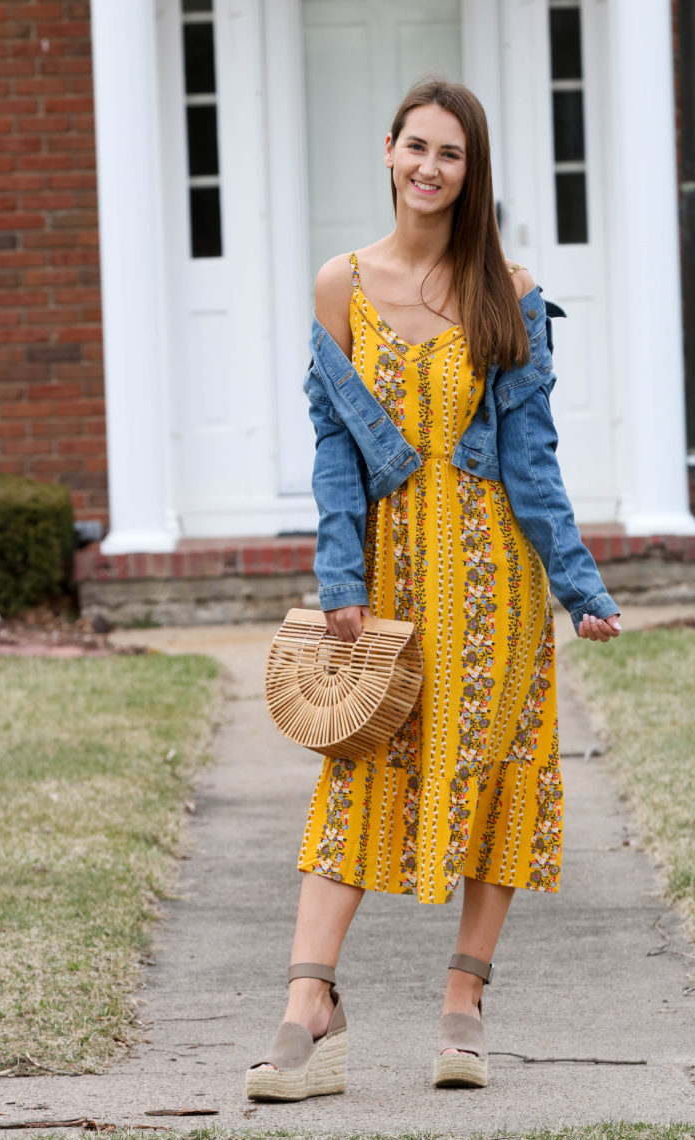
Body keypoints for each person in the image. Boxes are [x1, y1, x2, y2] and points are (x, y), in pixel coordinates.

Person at [246, 79, 620, 1102]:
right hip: (391, 584)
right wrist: (339, 579)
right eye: (416, 147)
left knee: (498, 773)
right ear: (388, 150)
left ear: (471, 170)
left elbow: (532, 462)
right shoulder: (341, 285)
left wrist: (579, 584)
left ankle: (464, 999)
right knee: (360, 774)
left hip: (498, 587)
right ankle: (306, 1007)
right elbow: (332, 452)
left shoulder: (511, 291)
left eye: (449, 154)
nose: (428, 168)